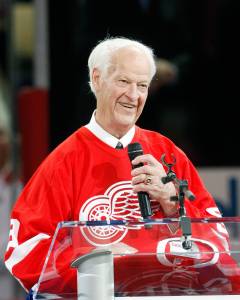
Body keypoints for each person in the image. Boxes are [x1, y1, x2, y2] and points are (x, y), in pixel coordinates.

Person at [4, 37, 236, 297]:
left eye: (142, 85)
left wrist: (172, 201)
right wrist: (94, 264)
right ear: (97, 78)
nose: (134, 95)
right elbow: (24, 252)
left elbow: (219, 238)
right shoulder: (63, 162)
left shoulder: (168, 153)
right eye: (124, 82)